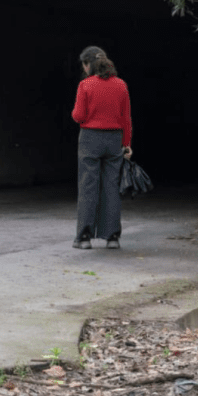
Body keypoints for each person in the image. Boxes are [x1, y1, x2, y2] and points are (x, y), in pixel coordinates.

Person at [71, 45, 132, 250]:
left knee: (88, 186)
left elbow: (78, 116)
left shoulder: (85, 85)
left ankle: (84, 238)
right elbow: (126, 119)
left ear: (88, 64)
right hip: (115, 139)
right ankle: (112, 237)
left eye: (84, 65)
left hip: (90, 139)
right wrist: (127, 144)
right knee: (111, 188)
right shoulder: (121, 85)